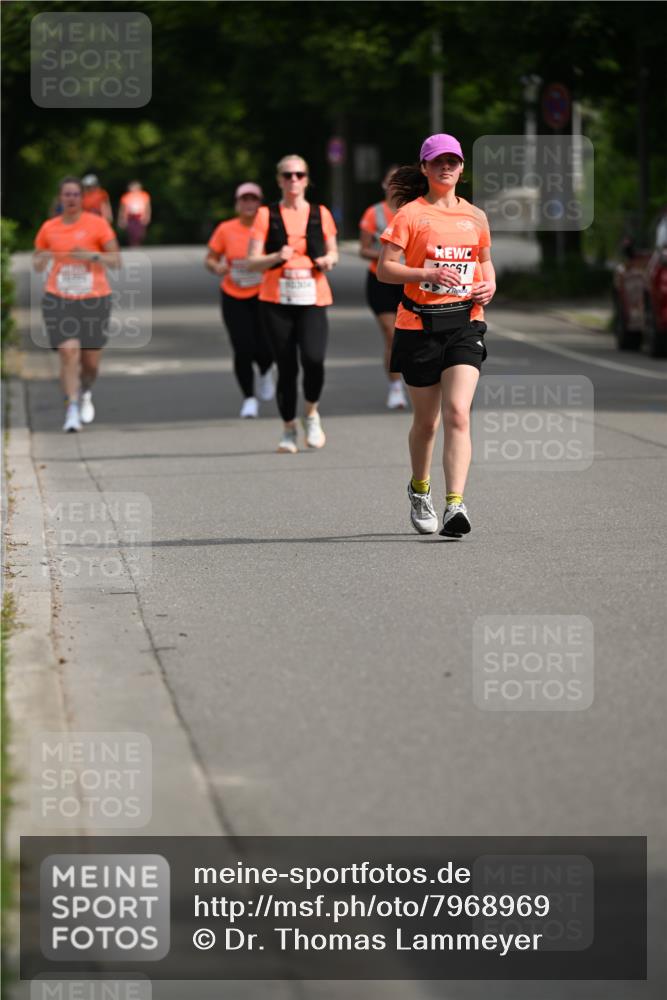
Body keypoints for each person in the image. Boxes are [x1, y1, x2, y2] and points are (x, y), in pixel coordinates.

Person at [377, 134, 496, 538]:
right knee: (427, 423)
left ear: (462, 168)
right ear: (425, 168)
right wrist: (426, 273)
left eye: (453, 161)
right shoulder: (410, 215)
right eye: (438, 161)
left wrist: (489, 286)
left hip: (465, 322)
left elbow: (485, 262)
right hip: (418, 326)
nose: (446, 167)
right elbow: (385, 270)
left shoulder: (476, 216)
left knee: (458, 414)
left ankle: (455, 505)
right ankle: (419, 489)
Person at [247, 154, 338, 453]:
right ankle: (288, 429)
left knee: (313, 359)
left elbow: (333, 252)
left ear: (307, 179)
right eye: (287, 175)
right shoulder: (265, 215)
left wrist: (327, 259)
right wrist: (276, 257)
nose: (293, 180)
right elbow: (252, 263)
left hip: (313, 297)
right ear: (279, 180)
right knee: (286, 367)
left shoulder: (321, 213)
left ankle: (311, 412)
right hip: (276, 299)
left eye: (299, 174)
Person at [33, 176, 120, 432]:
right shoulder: (49, 228)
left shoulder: (98, 225)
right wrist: (43, 258)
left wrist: (91, 255)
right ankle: (71, 407)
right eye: (66, 194)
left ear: (82, 198)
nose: (71, 199)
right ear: (60, 198)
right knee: (68, 351)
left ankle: (85, 391)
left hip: (94, 298)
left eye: (75, 194)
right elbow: (38, 263)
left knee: (90, 362)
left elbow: (116, 260)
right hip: (59, 297)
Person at [205, 182, 275, 418]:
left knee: (266, 344)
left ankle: (265, 371)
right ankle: (249, 398)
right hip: (233, 294)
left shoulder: (269, 227)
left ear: (260, 203)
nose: (248, 204)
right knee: (242, 346)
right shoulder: (226, 229)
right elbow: (210, 258)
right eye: (244, 199)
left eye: (253, 199)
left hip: (264, 293)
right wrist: (217, 267)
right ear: (237, 203)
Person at [359, 166, 408, 411]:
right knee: (391, 333)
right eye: (392, 180)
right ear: (384, 184)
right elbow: (363, 248)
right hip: (380, 280)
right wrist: (387, 256)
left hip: (409, 280)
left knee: (414, 335)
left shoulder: (414, 211)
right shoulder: (373, 213)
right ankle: (395, 387)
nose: (396, 184)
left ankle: (420, 383)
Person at [118, 180, 152, 247]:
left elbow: (147, 207)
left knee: (140, 232)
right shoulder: (126, 197)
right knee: (131, 231)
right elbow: (122, 209)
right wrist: (121, 219)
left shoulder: (144, 195)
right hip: (130, 217)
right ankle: (134, 244)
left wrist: (147, 216)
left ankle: (137, 242)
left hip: (140, 216)